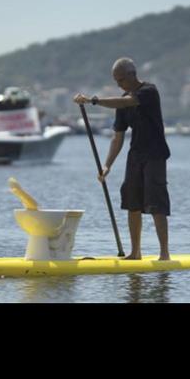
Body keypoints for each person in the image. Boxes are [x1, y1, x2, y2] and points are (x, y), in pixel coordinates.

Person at [74, 57, 171, 261]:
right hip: (135, 154)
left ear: (131, 75)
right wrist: (107, 165)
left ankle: (164, 254)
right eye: (115, 80)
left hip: (155, 154)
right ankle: (135, 253)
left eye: (120, 80)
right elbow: (118, 137)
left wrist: (94, 100)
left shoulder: (149, 92)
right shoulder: (121, 102)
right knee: (132, 202)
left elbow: (129, 101)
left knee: (156, 202)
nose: (118, 84)